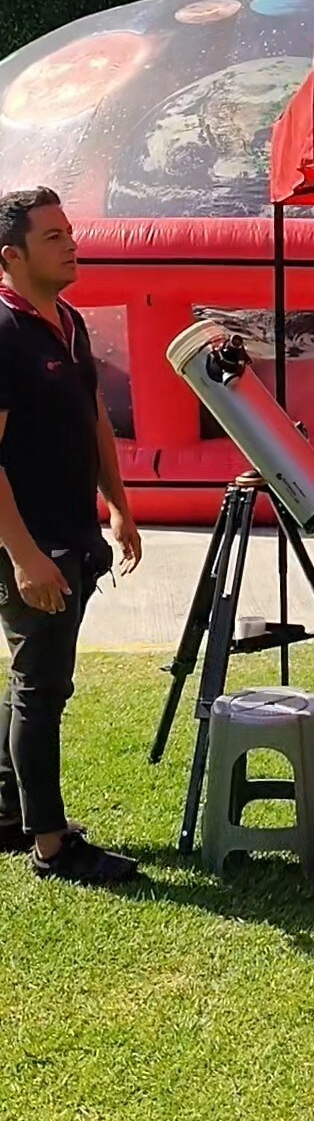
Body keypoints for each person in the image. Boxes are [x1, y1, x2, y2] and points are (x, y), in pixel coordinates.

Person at [0, 188, 142, 885]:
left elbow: (95, 422)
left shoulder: (70, 322)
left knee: (32, 676)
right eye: (52, 236)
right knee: (41, 687)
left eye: (69, 231)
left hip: (74, 531)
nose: (71, 243)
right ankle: (52, 844)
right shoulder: (2, 331)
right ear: (12, 256)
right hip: (30, 543)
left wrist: (118, 505)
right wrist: (24, 556)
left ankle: (7, 806)